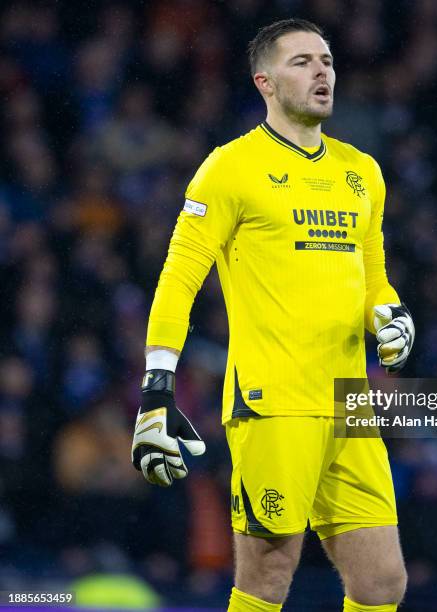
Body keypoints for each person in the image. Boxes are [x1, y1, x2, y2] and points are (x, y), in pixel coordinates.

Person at [131, 18, 415, 612]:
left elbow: (374, 277)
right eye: (303, 62)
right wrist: (158, 388)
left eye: (328, 61)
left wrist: (389, 317)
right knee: (269, 572)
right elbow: (180, 277)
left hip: (349, 401)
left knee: (382, 582)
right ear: (265, 81)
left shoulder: (361, 172)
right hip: (273, 400)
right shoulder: (229, 168)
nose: (322, 73)